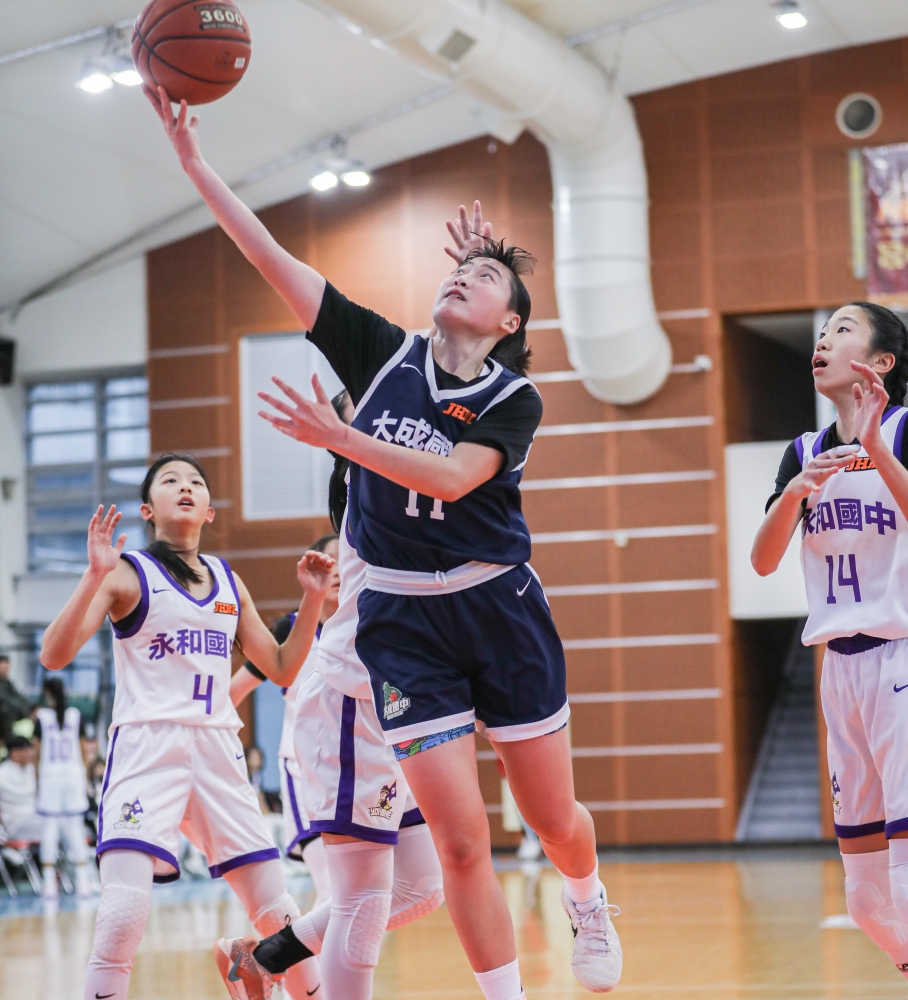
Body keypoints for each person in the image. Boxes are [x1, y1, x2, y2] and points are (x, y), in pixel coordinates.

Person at [146, 85, 620, 997]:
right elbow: (271, 257)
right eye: (459, 270)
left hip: (496, 604)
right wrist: (196, 167)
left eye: (485, 280)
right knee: (459, 845)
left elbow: (451, 478)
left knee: (553, 819)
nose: (461, 279)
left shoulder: (513, 398)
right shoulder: (381, 354)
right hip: (402, 624)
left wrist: (341, 437)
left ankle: (587, 896)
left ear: (510, 325)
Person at [40, 453, 332, 1000]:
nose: (185, 486)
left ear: (209, 511)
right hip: (147, 747)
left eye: (195, 481)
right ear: (148, 509)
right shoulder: (127, 572)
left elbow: (282, 668)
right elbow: (53, 655)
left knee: (278, 913)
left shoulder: (228, 582)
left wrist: (313, 598)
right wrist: (93, 573)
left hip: (219, 749)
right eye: (170, 480)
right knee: (122, 913)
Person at [216, 393, 445, 1000]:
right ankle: (300, 980)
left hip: (393, 719)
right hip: (337, 727)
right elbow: (257, 680)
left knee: (420, 888)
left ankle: (263, 957)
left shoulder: (419, 485)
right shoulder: (365, 488)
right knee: (356, 900)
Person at [752, 302, 908, 979]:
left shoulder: (902, 430)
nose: (824, 339)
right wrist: (794, 493)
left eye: (843, 328)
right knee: (867, 901)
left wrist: (876, 447)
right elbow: (762, 562)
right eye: (822, 331)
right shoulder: (803, 452)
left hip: (902, 657)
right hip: (839, 672)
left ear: (881, 363)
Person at [230, 533, 340, 906]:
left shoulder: (367, 625)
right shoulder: (290, 629)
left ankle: (286, 941)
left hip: (359, 770)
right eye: (331, 561)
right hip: (303, 770)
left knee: (369, 893)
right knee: (332, 892)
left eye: (347, 559)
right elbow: (233, 693)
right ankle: (279, 943)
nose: (339, 570)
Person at [34, 675, 94, 897]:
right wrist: (85, 779)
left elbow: (37, 754)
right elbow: (84, 751)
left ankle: (49, 882)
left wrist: (37, 782)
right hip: (73, 775)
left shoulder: (42, 717)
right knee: (75, 828)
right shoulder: (75, 715)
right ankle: (83, 880)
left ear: (47, 693)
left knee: (49, 828)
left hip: (50, 776)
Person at [0, 735, 43, 845]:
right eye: (26, 749)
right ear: (14, 752)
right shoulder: (2, 773)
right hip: (16, 823)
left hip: (35, 817)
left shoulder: (32, 770)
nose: (30, 753)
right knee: (51, 826)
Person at [0, 655, 31, 743]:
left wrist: (28, 707)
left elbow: (19, 696)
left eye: (7, 666)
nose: (5, 668)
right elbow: (4, 698)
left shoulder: (8, 683)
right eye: (3, 665)